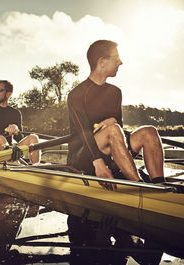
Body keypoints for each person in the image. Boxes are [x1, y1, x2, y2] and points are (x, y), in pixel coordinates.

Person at [67, 40, 165, 188]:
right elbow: (83, 132)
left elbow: (119, 125)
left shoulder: (115, 92)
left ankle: (160, 185)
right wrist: (98, 163)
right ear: (102, 62)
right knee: (113, 130)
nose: (120, 62)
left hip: (111, 147)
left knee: (149, 131)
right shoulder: (77, 94)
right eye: (116, 58)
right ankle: (138, 186)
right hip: (83, 155)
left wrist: (113, 119)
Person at [0, 79, 40, 163]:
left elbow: (19, 138)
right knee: (0, 138)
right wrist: (4, 131)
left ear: (8, 94)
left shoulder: (15, 113)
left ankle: (36, 168)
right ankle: (15, 164)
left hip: (9, 148)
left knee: (34, 137)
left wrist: (16, 130)